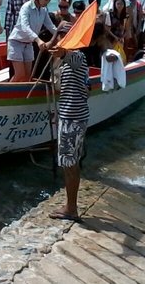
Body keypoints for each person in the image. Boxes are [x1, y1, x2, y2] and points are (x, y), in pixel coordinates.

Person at [48, 24, 90, 223]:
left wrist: (62, 51)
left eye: (64, 36)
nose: (60, 40)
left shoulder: (77, 57)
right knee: (71, 163)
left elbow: (66, 54)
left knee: (69, 163)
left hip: (73, 119)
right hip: (71, 116)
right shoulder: (69, 62)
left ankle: (71, 208)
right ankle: (70, 205)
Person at [7, 0, 58, 82]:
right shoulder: (26, 7)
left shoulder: (43, 10)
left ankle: (21, 96)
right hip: (16, 42)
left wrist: (63, 35)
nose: (47, 2)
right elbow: (25, 27)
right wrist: (38, 40)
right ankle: (5, 95)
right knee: (19, 74)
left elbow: (51, 26)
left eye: (49, 0)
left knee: (27, 76)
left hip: (28, 44)